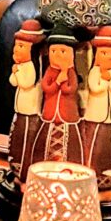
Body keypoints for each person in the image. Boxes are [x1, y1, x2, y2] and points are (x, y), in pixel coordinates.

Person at [82, 25, 111, 196]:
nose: (109, 57)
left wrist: (109, 79)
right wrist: (104, 79)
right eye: (104, 53)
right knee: (94, 140)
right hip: (96, 113)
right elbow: (95, 87)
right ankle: (90, 168)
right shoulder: (94, 70)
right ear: (97, 54)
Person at [30, 25, 83, 167]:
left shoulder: (71, 72)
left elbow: (70, 89)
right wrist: (58, 81)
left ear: (72, 54)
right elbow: (46, 87)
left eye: (63, 51)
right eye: (54, 51)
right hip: (51, 110)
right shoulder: (50, 71)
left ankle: (69, 161)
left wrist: (64, 77)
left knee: (69, 138)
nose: (58, 55)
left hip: (67, 112)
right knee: (47, 135)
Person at [8, 19, 45, 186]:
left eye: (22, 46)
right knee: (18, 136)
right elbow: (13, 82)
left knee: (27, 138)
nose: (16, 49)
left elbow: (26, 83)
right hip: (20, 109)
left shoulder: (30, 67)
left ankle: (26, 168)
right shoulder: (21, 65)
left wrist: (17, 72)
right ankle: (17, 166)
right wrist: (15, 72)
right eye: (17, 45)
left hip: (30, 111)